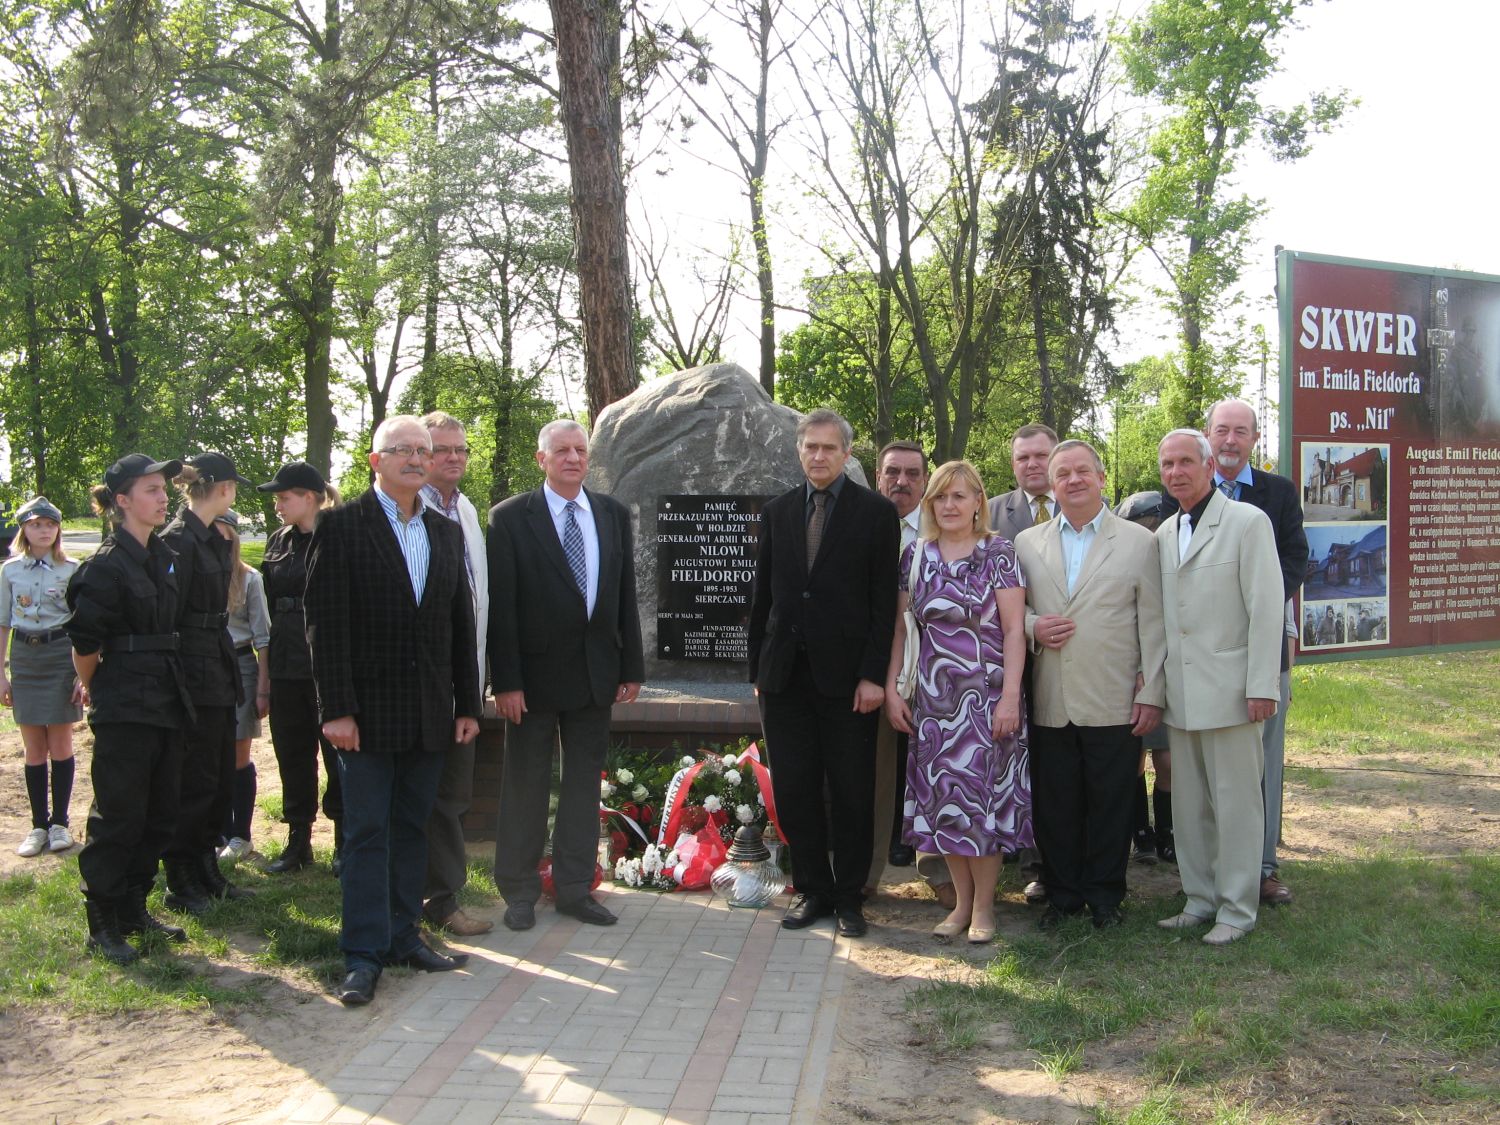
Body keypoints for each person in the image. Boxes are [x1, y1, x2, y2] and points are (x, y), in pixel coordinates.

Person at [305, 416, 481, 1006]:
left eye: (422, 450)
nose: (414, 457)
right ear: (375, 461)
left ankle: (405, 935)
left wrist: (467, 704)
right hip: (364, 717)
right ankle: (361, 953)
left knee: (412, 829)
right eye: (400, 449)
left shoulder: (445, 533)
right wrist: (337, 710)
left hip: (431, 714)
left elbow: (460, 627)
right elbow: (324, 627)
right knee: (367, 832)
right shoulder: (341, 528)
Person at [488, 420, 644, 931]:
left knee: (582, 786)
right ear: (542, 459)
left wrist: (631, 667)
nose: (573, 457)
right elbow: (503, 608)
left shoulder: (612, 514)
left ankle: (575, 887)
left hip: (595, 675)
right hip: (530, 683)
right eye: (562, 450)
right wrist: (505, 681)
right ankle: (519, 890)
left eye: (580, 450)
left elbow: (624, 596)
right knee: (527, 784)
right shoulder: (511, 518)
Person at [749, 410, 896, 938]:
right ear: (798, 450)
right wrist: (757, 669)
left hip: (849, 682)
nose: (818, 456)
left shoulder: (875, 514)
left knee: (853, 791)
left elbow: (884, 604)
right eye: (809, 446)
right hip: (785, 678)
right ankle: (812, 889)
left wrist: (873, 675)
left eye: (828, 448)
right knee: (795, 789)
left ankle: (850, 897)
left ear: (847, 454)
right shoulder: (778, 512)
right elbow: (762, 595)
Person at [1013, 442, 1166, 930]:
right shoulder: (1026, 544)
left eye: (1083, 471)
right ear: (1051, 485)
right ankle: (1062, 895)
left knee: (1111, 800)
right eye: (1063, 474)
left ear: (1102, 478)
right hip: (1051, 693)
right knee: (1055, 802)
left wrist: (1152, 691)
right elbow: (1011, 612)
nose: (1073, 480)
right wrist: (1033, 626)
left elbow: (1155, 623)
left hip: (1115, 693)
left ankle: (1104, 896)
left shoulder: (1140, 543)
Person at [886, 460, 1026, 944]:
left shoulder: (998, 553)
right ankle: (961, 903)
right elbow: (901, 633)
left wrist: (1011, 698)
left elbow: (1014, 630)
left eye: (959, 497)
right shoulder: (916, 557)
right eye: (941, 497)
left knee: (982, 806)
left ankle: (984, 908)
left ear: (977, 503)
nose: (949, 505)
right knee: (946, 804)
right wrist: (891, 689)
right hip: (933, 705)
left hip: (987, 701)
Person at [1155, 429, 1283, 946]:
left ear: (1209, 467)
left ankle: (1236, 907)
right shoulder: (1165, 532)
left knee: (1236, 805)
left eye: (1186, 461)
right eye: (1167, 464)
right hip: (1183, 694)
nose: (1176, 472)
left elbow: (1266, 608)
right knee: (1190, 806)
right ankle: (1199, 897)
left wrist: (1262, 685)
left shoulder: (1248, 523)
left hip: (1233, 691)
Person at [66, 454, 192, 964]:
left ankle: (133, 908)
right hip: (124, 702)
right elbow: (84, 645)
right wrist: (100, 690)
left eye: (164, 488)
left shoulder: (163, 555)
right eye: (151, 490)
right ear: (122, 501)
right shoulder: (103, 567)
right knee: (119, 814)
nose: (163, 498)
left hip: (167, 694)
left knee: (161, 812)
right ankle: (102, 921)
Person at [1202, 398, 1309, 906]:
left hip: (1263, 646)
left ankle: (1263, 867)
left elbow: (1296, 559)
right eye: (1221, 430)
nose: (1229, 440)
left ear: (1254, 440)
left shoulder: (1278, 493)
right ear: (1208, 434)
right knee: (1211, 762)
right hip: (1204, 652)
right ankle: (1215, 863)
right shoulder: (1185, 491)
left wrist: (1256, 607)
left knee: (1264, 758)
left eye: (1240, 432)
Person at [160, 453, 254, 914]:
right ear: (224, 488)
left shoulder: (215, 538)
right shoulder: (177, 541)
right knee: (192, 778)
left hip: (216, 664)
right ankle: (181, 877)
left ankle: (206, 868)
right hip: (190, 669)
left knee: (218, 773)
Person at [418, 411, 492, 938]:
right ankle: (425, 899)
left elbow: (478, 603)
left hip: (464, 683)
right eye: (442, 449)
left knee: (452, 796)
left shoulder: (466, 510)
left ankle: (441, 898)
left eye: (461, 449)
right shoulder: (408, 512)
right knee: (420, 795)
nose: (454, 458)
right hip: (418, 686)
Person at [985, 423, 1058, 903]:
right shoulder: (989, 513)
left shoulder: (1086, 500)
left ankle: (1047, 860)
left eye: (1040, 456)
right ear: (1012, 464)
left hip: (1062, 658)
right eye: (1023, 458)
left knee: (1051, 763)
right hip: (1001, 659)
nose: (1032, 464)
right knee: (1005, 759)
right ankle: (1009, 850)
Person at [258, 463, 343, 874]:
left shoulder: (341, 535)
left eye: (283, 497)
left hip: (329, 665)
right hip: (287, 664)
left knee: (337, 756)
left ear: (309, 497)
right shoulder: (278, 542)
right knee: (292, 754)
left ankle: (345, 839)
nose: (277, 504)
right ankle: (298, 841)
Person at [2, 497, 82, 857]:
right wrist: (1, 675)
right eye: (36, 525)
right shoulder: (9, 571)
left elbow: (84, 626)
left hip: (61, 654)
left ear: (58, 529)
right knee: (33, 746)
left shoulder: (72, 570)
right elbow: (3, 623)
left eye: (50, 525)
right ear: (24, 529)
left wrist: (84, 674)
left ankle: (61, 823)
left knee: (61, 743)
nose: (44, 530)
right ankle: (38, 825)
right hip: (25, 657)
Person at [866, 441, 930, 890]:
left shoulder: (942, 525)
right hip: (875, 663)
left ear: (925, 481)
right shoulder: (862, 524)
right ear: (878, 476)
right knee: (879, 765)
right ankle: (879, 851)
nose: (901, 482)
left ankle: (932, 859)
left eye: (912, 474)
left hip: (934, 668)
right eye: (893, 472)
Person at [1115, 491, 1175, 865]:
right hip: (1126, 669)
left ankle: (1169, 833)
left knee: (1168, 760)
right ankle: (1141, 834)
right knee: (1133, 757)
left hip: (1166, 667)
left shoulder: (1172, 550)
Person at [214, 511, 270, 864]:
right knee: (210, 752)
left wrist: (264, 687)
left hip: (240, 664)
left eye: (224, 536)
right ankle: (216, 830)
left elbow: (263, 636)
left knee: (237, 752)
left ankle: (240, 834)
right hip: (205, 666)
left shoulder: (249, 579)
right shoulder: (194, 572)